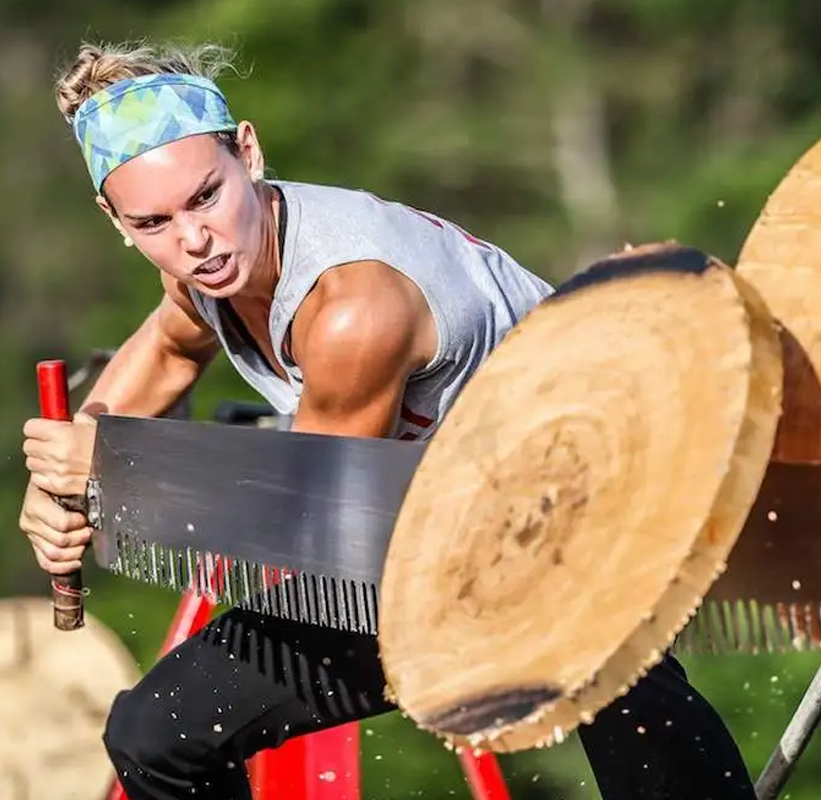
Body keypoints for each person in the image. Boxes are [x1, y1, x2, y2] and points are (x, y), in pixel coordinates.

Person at [19, 40, 756, 800]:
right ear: (116, 219)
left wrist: (109, 470)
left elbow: (304, 515)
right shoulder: (203, 269)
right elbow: (171, 349)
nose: (194, 241)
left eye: (206, 197)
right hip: (446, 537)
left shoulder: (354, 308)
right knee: (155, 737)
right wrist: (58, 482)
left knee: (619, 697)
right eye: (154, 223)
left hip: (590, 514)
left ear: (248, 151)